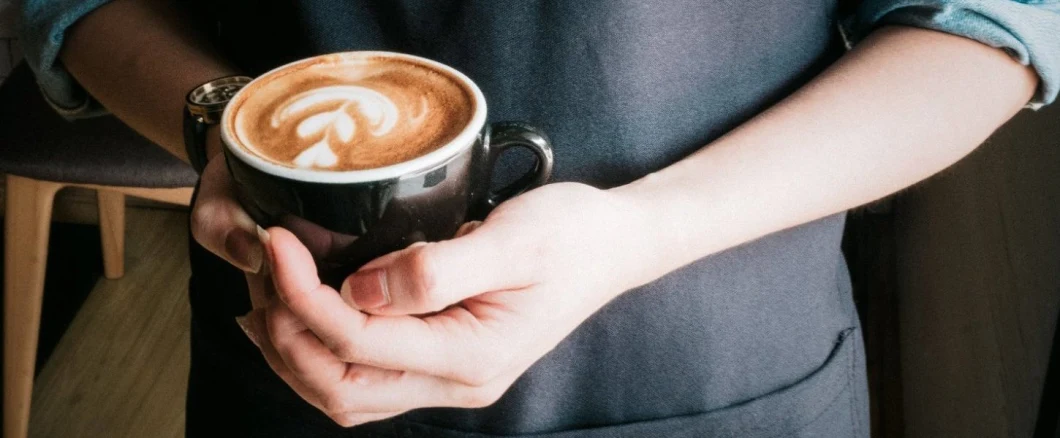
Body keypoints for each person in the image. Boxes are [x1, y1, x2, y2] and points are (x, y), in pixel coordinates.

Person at [20, 0, 1059, 436]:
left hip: (716, 370)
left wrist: (647, 231)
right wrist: (221, 126)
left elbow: (994, 24)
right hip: (286, 366)